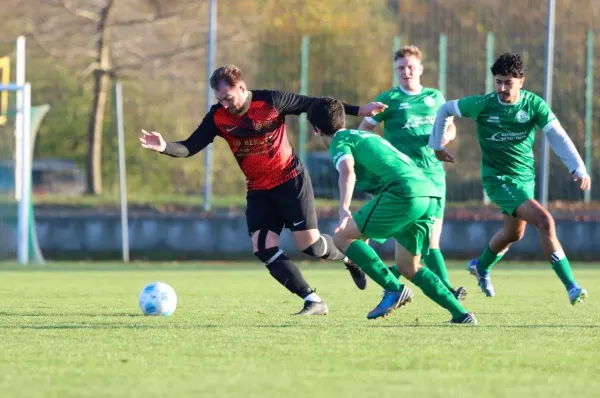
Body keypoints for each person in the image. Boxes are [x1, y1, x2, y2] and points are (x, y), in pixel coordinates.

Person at [140, 64, 387, 316]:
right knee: (262, 247)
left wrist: (358, 110)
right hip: (259, 190)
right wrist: (164, 147)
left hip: (290, 181)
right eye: (219, 99)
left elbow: (316, 104)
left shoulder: (271, 101)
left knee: (310, 246)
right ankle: (313, 300)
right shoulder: (218, 117)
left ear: (242, 87)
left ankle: (350, 257)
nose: (224, 104)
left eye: (227, 97)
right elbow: (190, 146)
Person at [429, 52, 590, 305]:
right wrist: (436, 145)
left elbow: (556, 135)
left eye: (508, 83)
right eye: (498, 82)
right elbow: (446, 109)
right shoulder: (483, 104)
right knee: (545, 221)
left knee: (513, 234)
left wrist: (577, 166)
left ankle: (480, 266)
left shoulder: (533, 105)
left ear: (521, 81)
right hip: (497, 179)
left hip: (524, 179)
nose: (502, 88)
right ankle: (572, 285)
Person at [307, 96, 477, 324]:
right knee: (409, 266)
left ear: (316, 131)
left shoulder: (340, 142)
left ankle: (393, 289)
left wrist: (344, 209)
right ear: (342, 120)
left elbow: (347, 171)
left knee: (341, 237)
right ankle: (462, 315)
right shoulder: (365, 135)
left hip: (403, 192)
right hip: (427, 193)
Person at [358, 45, 466, 301]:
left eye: (410, 67)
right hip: (404, 180)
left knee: (429, 242)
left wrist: (443, 140)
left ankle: (392, 282)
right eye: (400, 68)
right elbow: (363, 131)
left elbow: (450, 129)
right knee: (426, 243)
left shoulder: (435, 97)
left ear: (420, 69)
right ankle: (449, 290)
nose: (406, 72)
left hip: (435, 175)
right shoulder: (390, 100)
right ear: (396, 71)